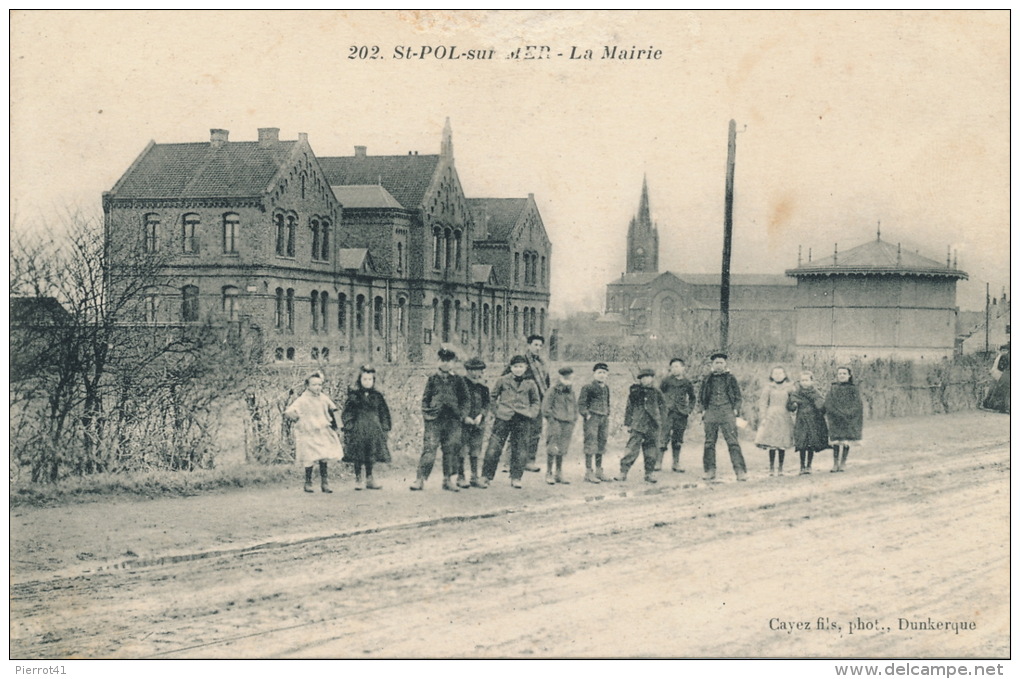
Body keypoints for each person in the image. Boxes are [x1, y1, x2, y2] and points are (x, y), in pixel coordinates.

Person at [481, 355, 541, 489]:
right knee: (494, 447)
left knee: (520, 449)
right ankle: (486, 476)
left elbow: (536, 401)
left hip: (523, 419)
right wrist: (497, 412)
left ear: (525, 368)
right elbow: (492, 397)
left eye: (521, 366)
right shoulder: (502, 380)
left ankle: (516, 477)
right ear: (510, 367)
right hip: (503, 418)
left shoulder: (530, 383)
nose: (518, 369)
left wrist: (531, 413)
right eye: (515, 367)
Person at [413, 348, 469, 492]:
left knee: (451, 449)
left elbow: (465, 400)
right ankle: (420, 479)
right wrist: (427, 415)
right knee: (429, 449)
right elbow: (425, 399)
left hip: (452, 420)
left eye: (449, 361)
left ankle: (447, 480)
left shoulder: (458, 380)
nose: (445, 364)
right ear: (438, 361)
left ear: (453, 363)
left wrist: (461, 415)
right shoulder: (433, 379)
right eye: (442, 360)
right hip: (434, 420)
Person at [284, 371, 342, 494]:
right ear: (307, 385)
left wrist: (338, 426)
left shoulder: (323, 398)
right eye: (314, 385)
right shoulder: (303, 399)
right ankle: (308, 482)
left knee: (324, 456)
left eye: (319, 385)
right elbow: (289, 411)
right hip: (308, 431)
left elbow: (334, 409)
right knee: (309, 457)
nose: (317, 387)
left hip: (322, 430)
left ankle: (325, 482)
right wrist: (297, 419)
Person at [503, 334, 550, 472]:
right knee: (516, 431)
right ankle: (509, 462)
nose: (538, 348)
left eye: (540, 345)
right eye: (535, 345)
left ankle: (530, 461)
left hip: (537, 402)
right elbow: (505, 378)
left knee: (535, 432)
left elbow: (546, 383)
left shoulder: (541, 363)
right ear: (528, 345)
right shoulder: (520, 361)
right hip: (521, 403)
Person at [698, 352, 747, 482]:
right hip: (711, 412)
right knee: (709, 443)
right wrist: (703, 410)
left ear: (725, 364)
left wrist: (736, 409)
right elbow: (701, 397)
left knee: (733, 442)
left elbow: (738, 397)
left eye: (721, 362)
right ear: (712, 364)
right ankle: (709, 470)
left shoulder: (731, 378)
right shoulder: (707, 379)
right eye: (716, 362)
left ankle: (740, 471)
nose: (719, 365)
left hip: (727, 412)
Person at [340, 365, 391, 490]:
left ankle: (369, 478)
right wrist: (349, 426)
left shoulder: (377, 396)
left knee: (371, 453)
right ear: (360, 380)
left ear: (373, 381)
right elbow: (348, 413)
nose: (367, 382)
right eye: (365, 379)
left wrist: (384, 427)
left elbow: (384, 412)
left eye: (370, 379)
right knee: (358, 454)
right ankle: (358, 479)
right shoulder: (354, 396)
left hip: (374, 429)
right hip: (359, 429)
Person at [618, 367, 667, 484]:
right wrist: (628, 423)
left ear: (652, 379)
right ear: (640, 380)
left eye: (648, 378)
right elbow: (629, 408)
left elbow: (663, 408)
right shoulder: (635, 392)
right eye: (643, 378)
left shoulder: (657, 392)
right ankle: (623, 472)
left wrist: (662, 422)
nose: (645, 380)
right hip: (638, 424)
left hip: (653, 425)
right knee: (632, 449)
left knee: (651, 451)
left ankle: (649, 474)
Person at [753, 366, 795, 476]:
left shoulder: (789, 388)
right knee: (772, 443)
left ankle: (780, 468)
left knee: (781, 442)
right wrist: (763, 416)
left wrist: (793, 406)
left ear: (785, 375)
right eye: (775, 373)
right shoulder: (768, 388)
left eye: (780, 373)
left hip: (784, 416)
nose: (778, 376)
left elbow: (794, 401)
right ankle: (771, 468)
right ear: (771, 375)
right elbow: (763, 403)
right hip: (771, 415)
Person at [787, 371, 829, 475]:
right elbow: (790, 407)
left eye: (807, 380)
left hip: (813, 420)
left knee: (811, 443)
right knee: (802, 443)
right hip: (801, 420)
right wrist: (793, 405)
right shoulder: (796, 393)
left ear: (812, 381)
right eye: (802, 380)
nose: (804, 383)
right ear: (799, 382)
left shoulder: (815, 393)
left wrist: (819, 405)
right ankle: (802, 466)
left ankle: (809, 466)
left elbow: (822, 406)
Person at [542, 366, 579, 485]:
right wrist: (552, 421)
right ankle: (549, 473)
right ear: (561, 377)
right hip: (555, 422)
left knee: (562, 448)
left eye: (570, 377)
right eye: (566, 377)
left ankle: (559, 473)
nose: (568, 379)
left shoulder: (571, 391)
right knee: (553, 448)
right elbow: (546, 408)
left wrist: (573, 420)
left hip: (568, 423)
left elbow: (575, 407)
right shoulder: (553, 390)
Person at [659, 358, 696, 473]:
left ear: (683, 368)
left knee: (678, 439)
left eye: (677, 366)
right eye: (673, 367)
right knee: (663, 437)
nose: (675, 369)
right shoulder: (666, 381)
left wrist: (688, 409)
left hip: (681, 414)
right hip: (667, 414)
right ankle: (658, 462)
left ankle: (676, 463)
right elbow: (659, 394)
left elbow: (692, 398)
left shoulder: (687, 382)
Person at [578, 362, 613, 484]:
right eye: (599, 372)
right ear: (594, 374)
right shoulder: (588, 387)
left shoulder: (606, 388)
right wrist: (587, 415)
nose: (602, 375)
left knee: (601, 442)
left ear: (607, 375)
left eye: (604, 373)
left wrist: (607, 413)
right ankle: (589, 472)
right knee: (591, 443)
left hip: (603, 418)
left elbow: (608, 402)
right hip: (592, 418)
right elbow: (581, 404)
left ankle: (599, 471)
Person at [824, 366, 863, 473]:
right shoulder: (833, 388)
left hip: (848, 418)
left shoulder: (853, 388)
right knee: (836, 441)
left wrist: (848, 414)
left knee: (846, 441)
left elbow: (857, 404)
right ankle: (835, 463)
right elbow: (828, 402)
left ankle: (843, 462)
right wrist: (835, 413)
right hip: (836, 418)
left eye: (844, 374)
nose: (841, 375)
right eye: (840, 373)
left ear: (849, 376)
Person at [458, 357, 490, 489]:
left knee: (476, 450)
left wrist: (481, 415)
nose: (478, 373)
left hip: (478, 423)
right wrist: (464, 417)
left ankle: (474, 476)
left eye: (480, 370)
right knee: (462, 449)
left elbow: (487, 403)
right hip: (463, 423)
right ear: (468, 371)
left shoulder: (483, 387)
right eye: (475, 370)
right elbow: (456, 404)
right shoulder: (460, 385)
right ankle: (461, 476)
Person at [981, 344, 1010, 414]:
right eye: (1003, 350)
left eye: (1005, 350)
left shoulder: (1003, 356)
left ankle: (1000, 407)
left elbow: (1000, 367)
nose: (1004, 351)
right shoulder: (1003, 356)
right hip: (1001, 374)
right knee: (1000, 391)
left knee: (1000, 391)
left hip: (1002, 374)